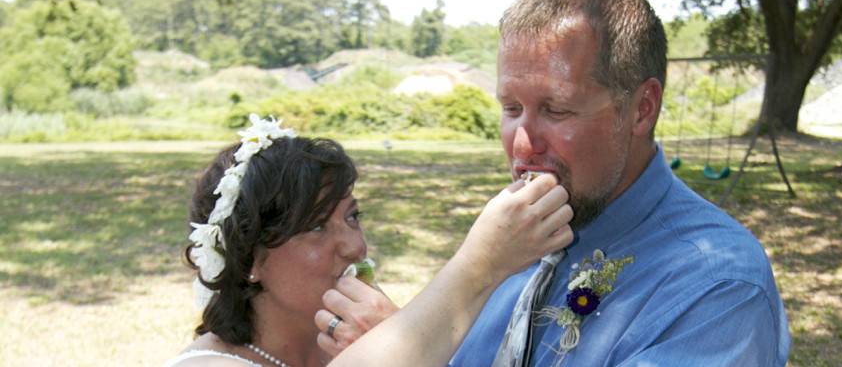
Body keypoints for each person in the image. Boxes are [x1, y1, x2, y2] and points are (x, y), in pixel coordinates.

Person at [322, 0, 790, 366]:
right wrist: (410, 339)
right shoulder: (520, 234)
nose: (523, 143)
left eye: (557, 110)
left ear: (642, 109)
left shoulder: (717, 289)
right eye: (510, 108)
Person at [165, 114, 573, 367]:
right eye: (316, 227)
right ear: (250, 258)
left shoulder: (355, 343)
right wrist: (481, 264)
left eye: (352, 217)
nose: (354, 247)